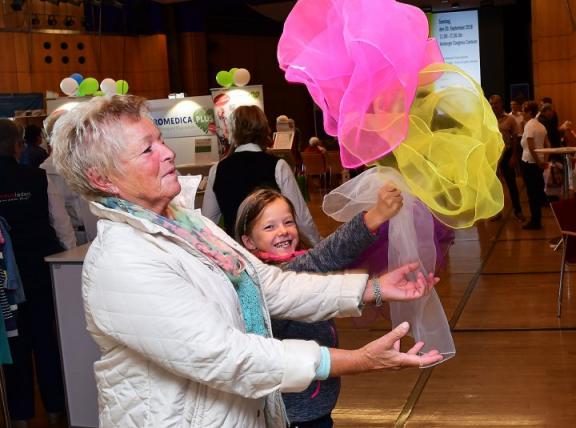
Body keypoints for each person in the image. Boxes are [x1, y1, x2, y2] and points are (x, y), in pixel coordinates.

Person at [49, 95, 443, 427]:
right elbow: (225, 356)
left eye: (161, 140)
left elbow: (267, 285)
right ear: (103, 178)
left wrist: (372, 289)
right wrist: (355, 361)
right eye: (147, 149)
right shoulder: (125, 260)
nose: (168, 153)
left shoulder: (188, 223)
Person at [235, 185, 401, 428]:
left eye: (288, 222)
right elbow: (328, 254)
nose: (282, 231)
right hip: (296, 413)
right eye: (269, 227)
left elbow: (327, 289)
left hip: (318, 403)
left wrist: (377, 289)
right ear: (248, 241)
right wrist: (374, 216)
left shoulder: (297, 263)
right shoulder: (270, 277)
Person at [0, 119, 67, 428]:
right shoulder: (39, 179)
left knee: (14, 347)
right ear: (17, 146)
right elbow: (61, 226)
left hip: (4, 281)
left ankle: (21, 418)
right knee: (46, 342)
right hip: (41, 271)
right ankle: (56, 412)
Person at [203, 105, 323, 245]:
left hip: (239, 254)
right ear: (264, 130)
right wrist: (318, 245)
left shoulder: (217, 170)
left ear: (233, 131)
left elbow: (207, 223)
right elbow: (301, 217)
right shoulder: (278, 166)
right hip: (274, 251)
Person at [40, 112, 99, 251]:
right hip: (70, 243)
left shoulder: (91, 164)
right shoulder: (43, 172)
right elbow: (56, 219)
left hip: (98, 238)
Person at [489, 95, 524, 221]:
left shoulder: (510, 119)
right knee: (494, 187)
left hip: (507, 154)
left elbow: (515, 138)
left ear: (502, 104)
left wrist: (514, 156)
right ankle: (497, 213)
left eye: (496, 103)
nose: (494, 105)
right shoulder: (486, 119)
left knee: (511, 184)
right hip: (492, 156)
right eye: (492, 103)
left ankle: (518, 211)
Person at [519, 100, 548, 230]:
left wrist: (538, 162)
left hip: (530, 163)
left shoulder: (529, 125)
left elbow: (531, 147)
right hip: (538, 163)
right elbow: (548, 145)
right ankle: (537, 219)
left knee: (532, 194)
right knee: (537, 192)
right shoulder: (541, 125)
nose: (522, 113)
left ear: (530, 112)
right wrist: (544, 162)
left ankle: (535, 221)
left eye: (524, 111)